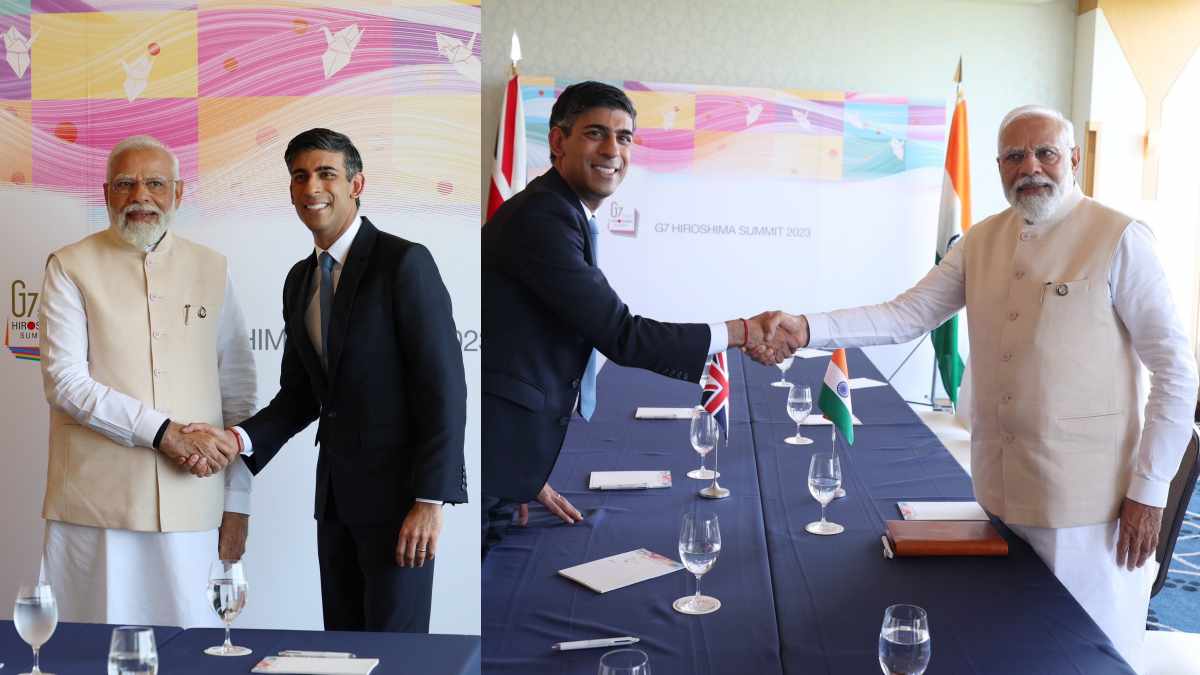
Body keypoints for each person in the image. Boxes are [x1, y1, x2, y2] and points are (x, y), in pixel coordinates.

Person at [765, 105, 1199, 671]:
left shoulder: (1119, 236)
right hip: (999, 492)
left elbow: (1176, 369)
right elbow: (906, 314)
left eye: (1045, 153)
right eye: (1015, 156)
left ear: (1073, 158)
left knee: (1087, 657)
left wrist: (1149, 489)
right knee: (1013, 648)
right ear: (999, 166)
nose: (1031, 167)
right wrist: (807, 327)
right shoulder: (980, 240)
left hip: (1091, 510)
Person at [481, 81, 795, 553]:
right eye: (595, 133)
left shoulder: (560, 210)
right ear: (557, 141)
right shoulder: (543, 218)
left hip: (507, 456)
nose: (613, 150)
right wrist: (742, 332)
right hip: (488, 455)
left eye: (624, 137)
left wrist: (522, 472)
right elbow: (622, 335)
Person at [186, 128, 467, 633]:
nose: (312, 186)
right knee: (340, 648)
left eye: (326, 173)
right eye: (300, 176)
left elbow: (444, 387)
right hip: (334, 503)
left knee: (398, 658)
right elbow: (300, 396)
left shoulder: (404, 262)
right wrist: (236, 440)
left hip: (401, 507)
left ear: (356, 184)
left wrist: (430, 500)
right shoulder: (299, 280)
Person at [38, 135, 255, 626]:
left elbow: (238, 395)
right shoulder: (69, 265)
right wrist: (165, 433)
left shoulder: (213, 268)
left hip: (194, 505)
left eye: (156, 183)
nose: (141, 195)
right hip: (94, 511)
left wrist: (238, 505)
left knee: (196, 652)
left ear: (178, 194)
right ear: (106, 194)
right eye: (125, 183)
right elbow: (65, 381)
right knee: (91, 653)